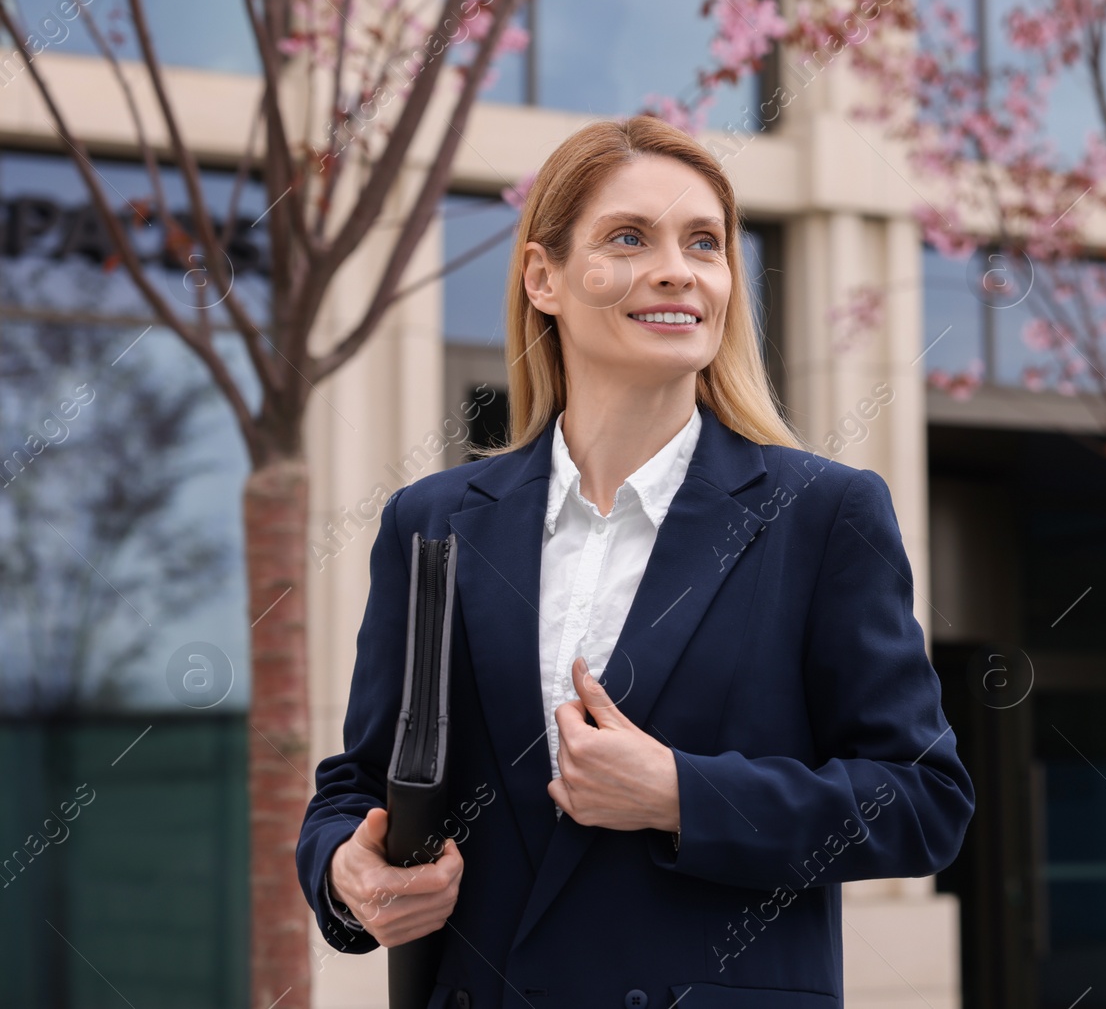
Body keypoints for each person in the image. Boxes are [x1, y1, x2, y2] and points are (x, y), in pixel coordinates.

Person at [295, 114, 975, 1007]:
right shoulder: (432, 524)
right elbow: (358, 782)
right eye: (628, 237)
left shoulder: (822, 515)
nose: (677, 269)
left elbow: (922, 801)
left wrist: (683, 793)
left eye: (705, 242)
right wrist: (350, 870)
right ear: (544, 277)